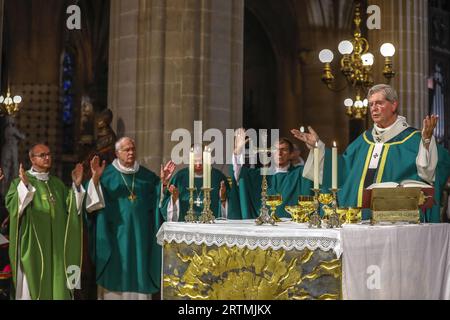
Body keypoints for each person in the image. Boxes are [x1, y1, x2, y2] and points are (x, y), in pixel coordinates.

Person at [292, 84, 450, 222]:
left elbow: (430, 173)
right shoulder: (364, 140)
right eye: (371, 104)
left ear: (394, 105)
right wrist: (318, 147)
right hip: (357, 217)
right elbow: (343, 168)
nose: (374, 108)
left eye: (379, 103)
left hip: (396, 220)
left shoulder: (414, 139)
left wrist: (427, 142)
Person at [85, 137, 176, 300]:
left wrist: (162, 184)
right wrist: (95, 181)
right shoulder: (106, 176)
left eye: (133, 149)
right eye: (127, 150)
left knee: (139, 277)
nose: (131, 152)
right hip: (114, 241)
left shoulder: (147, 177)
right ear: (117, 153)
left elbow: (159, 202)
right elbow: (91, 205)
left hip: (140, 241)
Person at [5, 144, 85, 300]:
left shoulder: (57, 184)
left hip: (58, 250)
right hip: (34, 248)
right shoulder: (19, 182)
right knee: (33, 286)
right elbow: (13, 207)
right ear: (31, 158)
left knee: (58, 285)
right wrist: (25, 186)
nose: (47, 157)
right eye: (42, 155)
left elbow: (73, 210)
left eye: (49, 154)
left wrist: (76, 184)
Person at [232, 129, 313, 219]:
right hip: (265, 227)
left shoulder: (299, 174)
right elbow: (239, 174)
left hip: (292, 227)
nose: (279, 153)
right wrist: (237, 152)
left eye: (284, 150)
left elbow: (318, 170)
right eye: (276, 150)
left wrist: (315, 147)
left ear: (291, 154)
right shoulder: (260, 175)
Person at [161, 144, 240, 222]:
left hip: (213, 228)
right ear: (189, 159)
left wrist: (223, 198)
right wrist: (174, 199)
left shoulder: (218, 177)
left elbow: (232, 209)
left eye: (201, 160)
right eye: (195, 161)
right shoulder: (179, 177)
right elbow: (165, 208)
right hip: (186, 228)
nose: (198, 164)